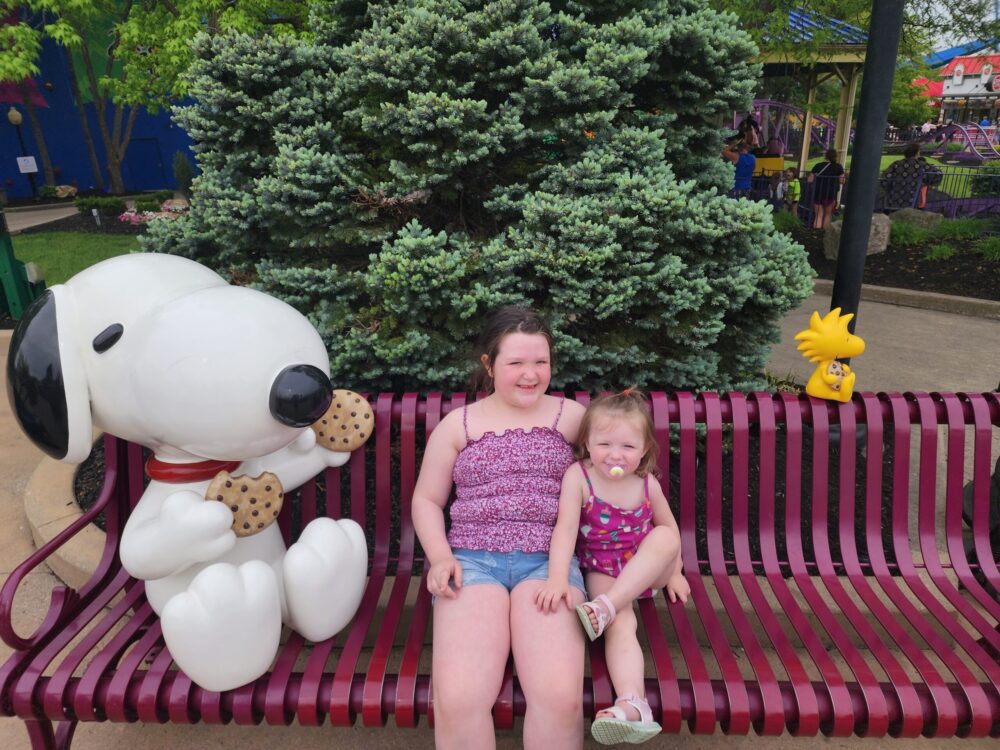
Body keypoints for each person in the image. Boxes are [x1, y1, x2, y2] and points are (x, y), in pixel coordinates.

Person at [411, 305, 588, 750]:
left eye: (540, 362)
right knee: (458, 698)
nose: (530, 374)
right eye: (516, 363)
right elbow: (427, 500)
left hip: (549, 567)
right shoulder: (460, 425)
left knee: (560, 696)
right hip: (471, 564)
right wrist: (440, 557)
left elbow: (623, 476)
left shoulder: (572, 419)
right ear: (489, 365)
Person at [537, 389, 689, 746]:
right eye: (605, 444)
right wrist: (558, 577)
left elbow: (671, 532)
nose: (615, 455)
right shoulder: (579, 477)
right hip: (604, 569)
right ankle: (633, 704)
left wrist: (677, 572)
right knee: (623, 625)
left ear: (645, 449)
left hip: (648, 568)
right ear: (587, 442)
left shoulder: (646, 484)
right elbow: (566, 529)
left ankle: (605, 607)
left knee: (664, 537)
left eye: (628, 447)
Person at [881, 142, 943, 211]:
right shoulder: (922, 165)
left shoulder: (896, 164)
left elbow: (885, 178)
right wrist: (926, 182)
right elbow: (937, 174)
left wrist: (889, 188)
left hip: (894, 199)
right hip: (912, 200)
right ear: (917, 153)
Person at [807, 148, 845, 229]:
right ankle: (825, 234)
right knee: (828, 215)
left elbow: (810, 179)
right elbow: (842, 181)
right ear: (835, 156)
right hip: (830, 193)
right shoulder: (838, 167)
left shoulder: (818, 166)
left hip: (818, 192)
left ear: (826, 156)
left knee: (818, 215)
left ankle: (816, 234)